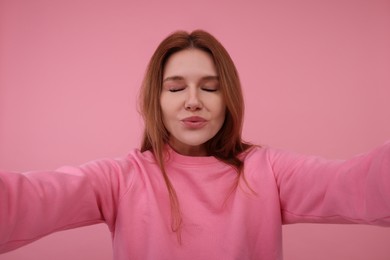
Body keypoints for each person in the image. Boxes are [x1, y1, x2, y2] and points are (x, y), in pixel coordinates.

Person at [0, 30, 389, 260]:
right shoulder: (121, 177)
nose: (193, 101)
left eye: (210, 87)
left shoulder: (265, 170)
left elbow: (358, 183)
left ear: (228, 98)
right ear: (157, 98)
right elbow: (29, 199)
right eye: (175, 88)